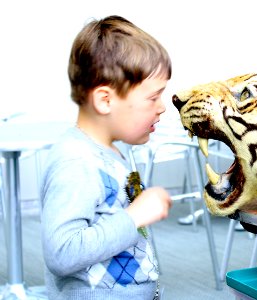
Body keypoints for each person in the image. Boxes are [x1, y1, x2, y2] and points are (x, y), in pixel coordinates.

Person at [40, 15, 172, 299]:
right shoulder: (75, 161)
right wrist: (134, 215)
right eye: (153, 98)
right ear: (105, 100)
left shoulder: (109, 152)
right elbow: (62, 253)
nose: (162, 107)